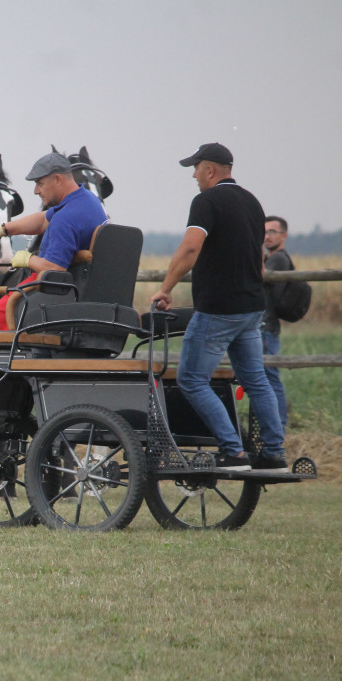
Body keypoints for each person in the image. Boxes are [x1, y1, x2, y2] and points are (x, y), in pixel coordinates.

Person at [150, 143, 287, 472]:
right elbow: (257, 259)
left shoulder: (206, 201)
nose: (194, 176)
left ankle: (233, 451)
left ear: (209, 170)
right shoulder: (252, 202)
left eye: (195, 169)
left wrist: (166, 289)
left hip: (219, 309)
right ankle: (273, 453)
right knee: (256, 380)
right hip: (252, 307)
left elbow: (189, 249)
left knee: (192, 380)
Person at [0, 151, 109, 330]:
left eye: (40, 183)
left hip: (50, 291)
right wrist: (4, 229)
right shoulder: (87, 201)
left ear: (58, 179)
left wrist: (28, 259)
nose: (36, 190)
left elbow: (55, 270)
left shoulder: (66, 219)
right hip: (77, 290)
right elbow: (44, 219)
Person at [262, 215, 291, 428]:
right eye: (264, 232)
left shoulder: (278, 259)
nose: (267, 236)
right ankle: (275, 424)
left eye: (272, 232)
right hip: (267, 325)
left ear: (284, 235)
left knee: (270, 375)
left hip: (266, 325)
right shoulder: (271, 258)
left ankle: (279, 424)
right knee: (267, 374)